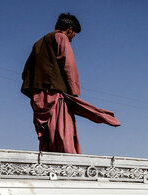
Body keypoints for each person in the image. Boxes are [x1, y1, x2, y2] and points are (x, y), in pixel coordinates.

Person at [22, 13, 119, 154]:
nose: (72, 39)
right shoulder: (61, 38)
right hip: (56, 95)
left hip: (38, 98)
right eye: (73, 35)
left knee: (47, 137)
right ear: (69, 29)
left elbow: (26, 71)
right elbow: (69, 65)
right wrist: (74, 92)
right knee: (64, 136)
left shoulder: (37, 44)